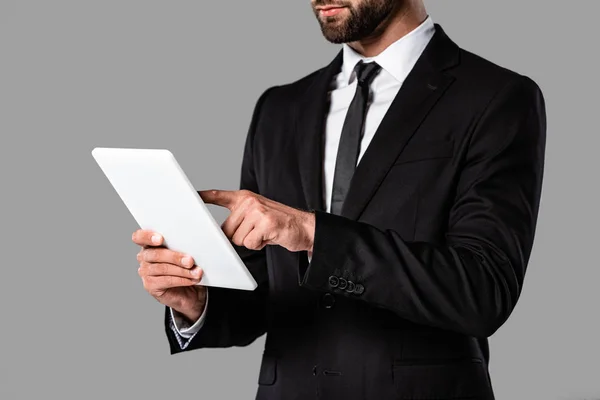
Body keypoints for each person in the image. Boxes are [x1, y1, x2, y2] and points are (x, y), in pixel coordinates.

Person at [131, 0, 546, 398]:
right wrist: (197, 303)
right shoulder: (278, 109)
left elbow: (484, 291)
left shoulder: (496, 97)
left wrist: (314, 234)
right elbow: (265, 295)